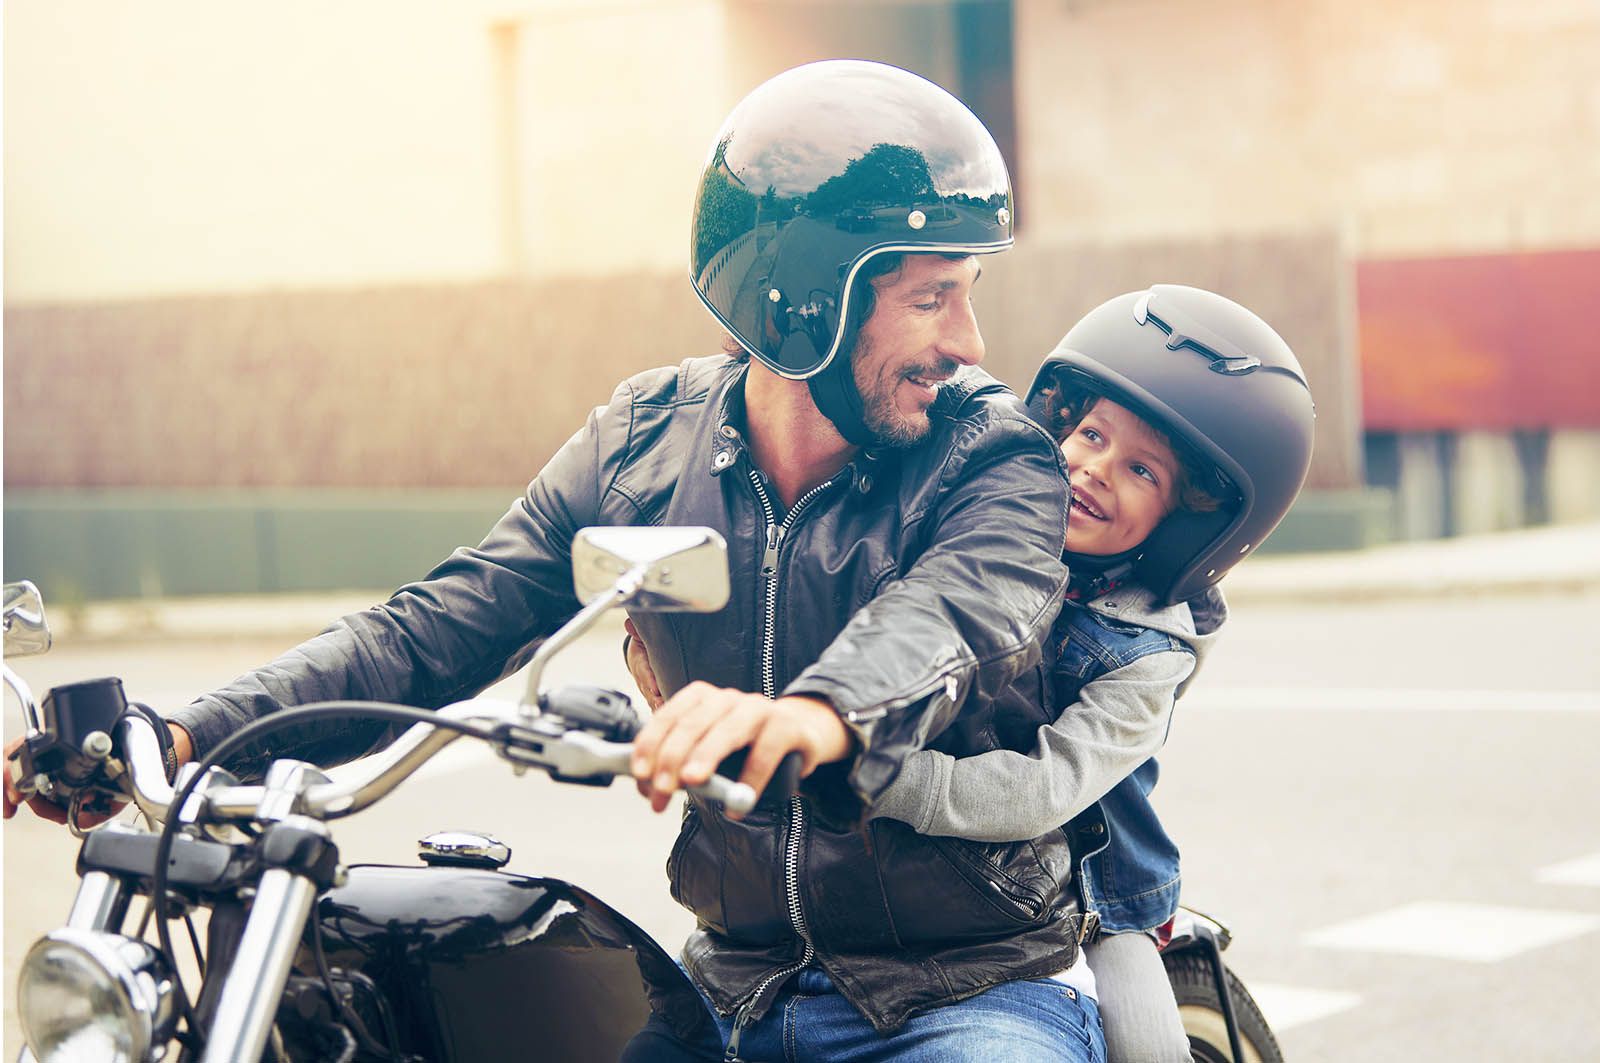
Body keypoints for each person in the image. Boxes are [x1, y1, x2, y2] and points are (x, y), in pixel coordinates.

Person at [8, 60, 1105, 1060]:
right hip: (739, 983)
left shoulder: (993, 458)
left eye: (966, 293)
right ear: (805, 300)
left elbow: (945, 618)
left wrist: (814, 713)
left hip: (965, 990)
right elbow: (441, 624)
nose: (966, 340)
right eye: (930, 296)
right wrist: (191, 731)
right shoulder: (639, 446)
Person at [628, 285, 1318, 1061]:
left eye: (1142, 472)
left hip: (1084, 887)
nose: (1093, 469)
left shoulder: (1146, 654)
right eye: (1090, 434)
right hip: (874, 890)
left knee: (1144, 1039)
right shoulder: (976, 530)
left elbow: (1041, 791)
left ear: (1190, 523)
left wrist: (864, 764)